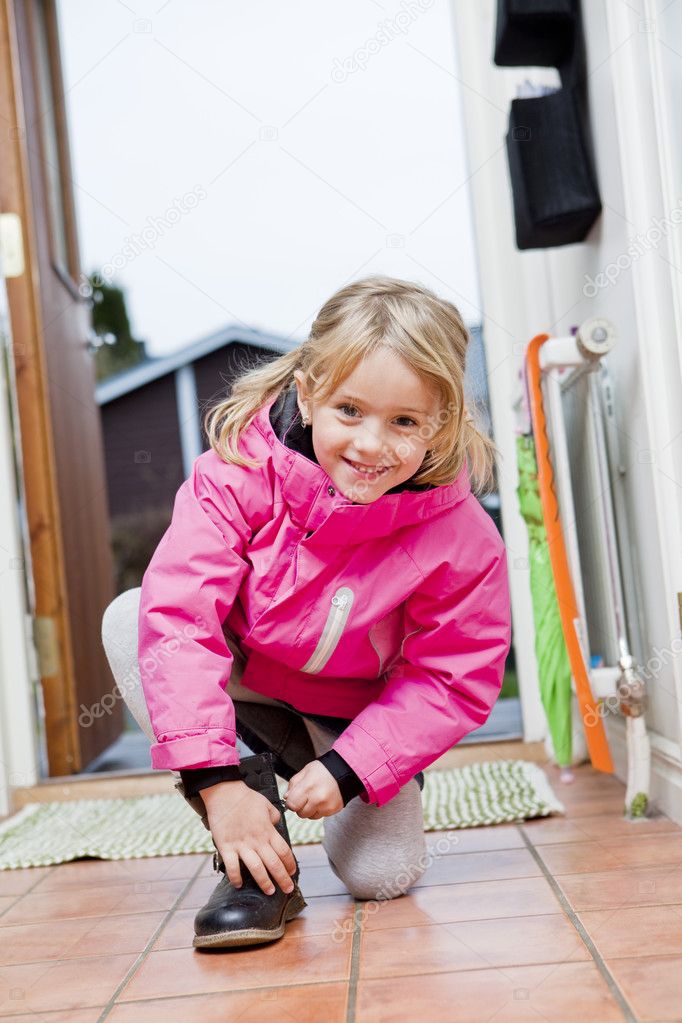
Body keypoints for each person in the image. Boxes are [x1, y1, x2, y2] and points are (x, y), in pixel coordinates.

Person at [101, 274, 512, 950]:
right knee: (131, 617)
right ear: (310, 391)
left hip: (352, 718)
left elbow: (451, 676)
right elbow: (182, 617)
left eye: (404, 421)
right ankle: (257, 852)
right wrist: (216, 784)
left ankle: (360, 780)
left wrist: (353, 766)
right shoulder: (233, 475)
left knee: (384, 873)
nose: (371, 445)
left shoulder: (463, 537)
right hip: (248, 689)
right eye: (350, 410)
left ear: (440, 422)